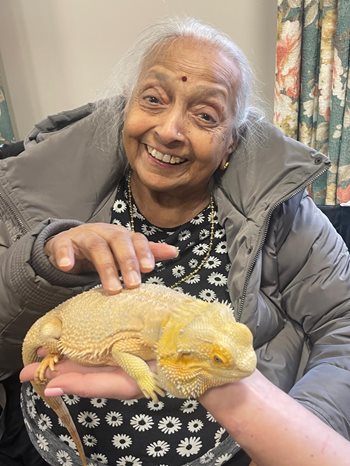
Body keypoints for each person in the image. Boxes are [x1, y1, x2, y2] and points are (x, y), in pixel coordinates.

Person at [1, 16, 350, 466]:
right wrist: (45, 261)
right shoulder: (37, 190)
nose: (169, 129)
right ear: (127, 109)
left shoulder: (284, 215)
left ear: (230, 145)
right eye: (153, 99)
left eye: (205, 115)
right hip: (53, 450)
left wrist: (291, 430)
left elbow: (342, 322)